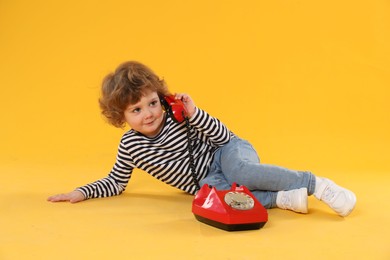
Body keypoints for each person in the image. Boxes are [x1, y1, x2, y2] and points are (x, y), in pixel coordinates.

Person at [47, 61, 356, 217]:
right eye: (136, 110)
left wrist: (194, 114)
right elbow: (115, 182)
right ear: (121, 117)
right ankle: (283, 199)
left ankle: (316, 184)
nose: (149, 114)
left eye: (152, 103)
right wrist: (81, 192)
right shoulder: (131, 147)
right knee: (210, 199)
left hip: (229, 152)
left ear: (162, 97)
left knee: (240, 173)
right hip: (207, 181)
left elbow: (223, 137)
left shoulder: (179, 116)